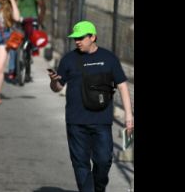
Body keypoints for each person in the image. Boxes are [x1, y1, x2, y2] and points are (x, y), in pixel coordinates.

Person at [48, 21, 134, 192]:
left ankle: (98, 188)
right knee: (80, 164)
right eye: (75, 38)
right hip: (76, 121)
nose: (77, 41)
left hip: (101, 120)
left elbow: (122, 85)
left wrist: (129, 115)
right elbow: (57, 87)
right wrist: (54, 82)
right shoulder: (68, 59)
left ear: (93, 37)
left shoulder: (109, 58)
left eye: (81, 38)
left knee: (104, 160)